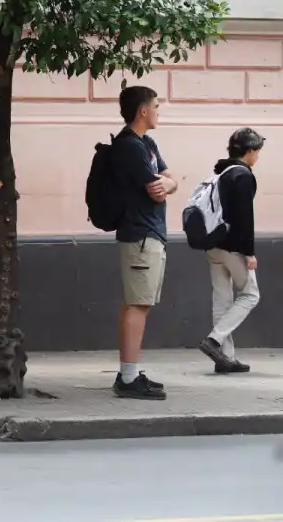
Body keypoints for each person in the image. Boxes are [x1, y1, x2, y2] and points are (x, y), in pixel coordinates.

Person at [112, 85, 177, 400]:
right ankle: (128, 378)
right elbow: (157, 189)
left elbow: (170, 180)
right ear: (143, 110)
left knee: (138, 303)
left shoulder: (147, 143)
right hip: (140, 235)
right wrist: (166, 183)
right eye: (156, 106)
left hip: (149, 234)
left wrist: (169, 183)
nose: (158, 112)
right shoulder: (130, 147)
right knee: (138, 304)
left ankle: (130, 372)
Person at [199, 128, 265, 374]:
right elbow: (244, 218)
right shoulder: (243, 175)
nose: (257, 156)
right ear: (249, 151)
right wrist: (249, 252)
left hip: (213, 244)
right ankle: (214, 340)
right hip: (232, 246)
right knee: (250, 294)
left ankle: (225, 358)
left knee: (222, 298)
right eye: (257, 151)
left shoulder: (221, 172)